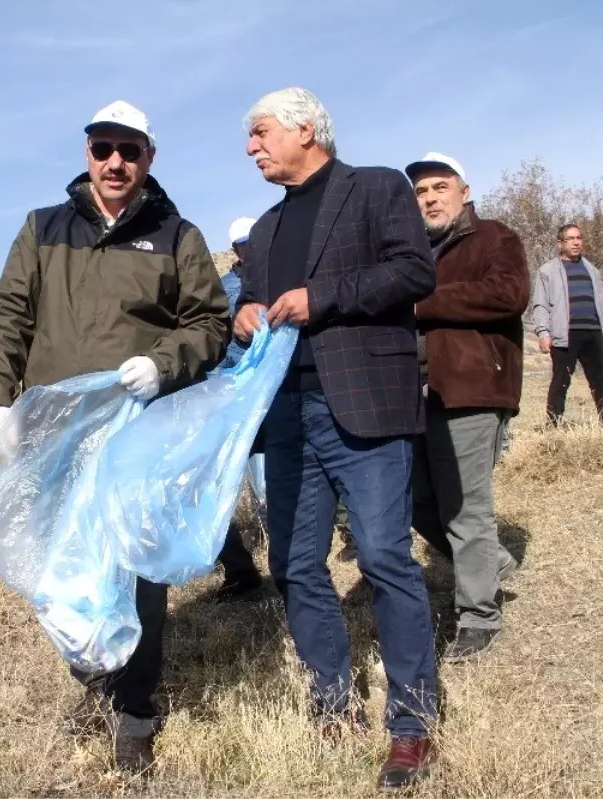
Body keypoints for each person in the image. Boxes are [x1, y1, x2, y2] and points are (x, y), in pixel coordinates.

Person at [0, 101, 229, 773]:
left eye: (130, 149)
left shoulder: (177, 235)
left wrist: (163, 363)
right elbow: (8, 316)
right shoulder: (43, 229)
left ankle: (135, 708)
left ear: (150, 157)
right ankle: (90, 677)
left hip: (137, 431)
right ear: (86, 151)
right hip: (53, 430)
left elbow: (209, 322)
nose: (115, 161)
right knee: (63, 563)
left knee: (137, 567)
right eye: (103, 147)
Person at [234, 87, 438, 790]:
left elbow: (415, 272)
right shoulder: (262, 232)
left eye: (260, 132)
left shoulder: (376, 189)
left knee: (384, 554)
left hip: (366, 404)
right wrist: (248, 312)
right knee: (295, 563)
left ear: (305, 128)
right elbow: (252, 307)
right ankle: (333, 700)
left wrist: (325, 297)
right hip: (289, 413)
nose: (252, 146)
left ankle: (411, 724)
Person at [405, 152, 530, 661]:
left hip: (473, 389)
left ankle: (479, 615)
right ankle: (493, 560)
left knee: (465, 507)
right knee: (414, 500)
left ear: (464, 191)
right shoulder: (414, 252)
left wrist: (420, 301)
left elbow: (509, 294)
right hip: (415, 395)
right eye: (421, 192)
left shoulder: (494, 237)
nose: (431, 198)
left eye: (439, 187)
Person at [211, 216, 267, 603]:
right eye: (248, 244)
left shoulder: (277, 279)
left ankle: (286, 567)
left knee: (267, 486)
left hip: (268, 397)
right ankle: (242, 570)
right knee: (219, 487)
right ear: (237, 251)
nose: (254, 250)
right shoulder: (225, 291)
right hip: (230, 398)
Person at [531, 224, 603, 428]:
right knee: (561, 382)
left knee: (601, 382)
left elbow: (601, 304)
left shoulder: (592, 270)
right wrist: (543, 332)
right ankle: (553, 427)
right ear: (560, 243)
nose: (576, 242)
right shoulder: (547, 271)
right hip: (565, 335)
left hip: (594, 333)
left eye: (579, 238)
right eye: (570, 239)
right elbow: (540, 305)